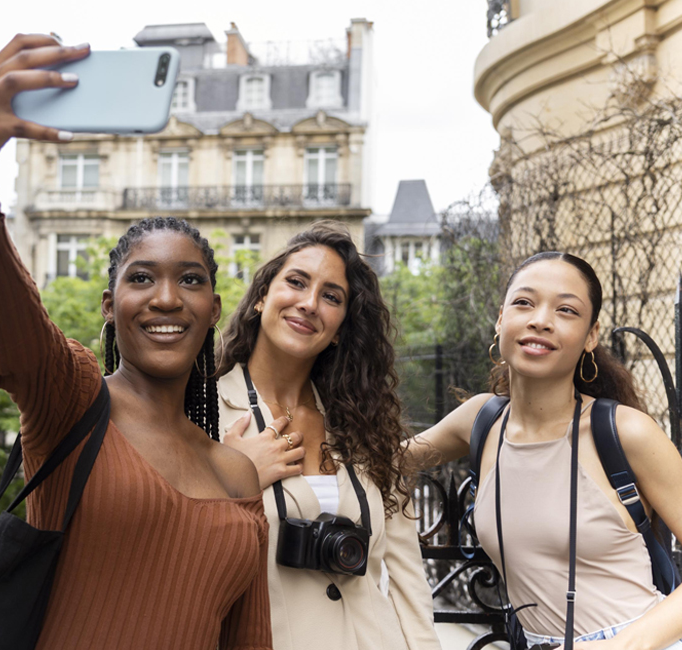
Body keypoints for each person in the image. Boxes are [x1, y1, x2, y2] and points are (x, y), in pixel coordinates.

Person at [0, 33, 271, 649]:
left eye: (190, 281)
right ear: (110, 307)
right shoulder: (70, 400)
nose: (167, 298)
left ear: (213, 311)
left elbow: (249, 640)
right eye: (141, 278)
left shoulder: (236, 473)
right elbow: (11, 325)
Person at [408, 252, 682, 650]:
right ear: (501, 319)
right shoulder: (479, 420)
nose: (540, 319)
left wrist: (616, 647)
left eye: (566, 309)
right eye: (524, 302)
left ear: (591, 335)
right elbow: (378, 459)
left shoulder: (626, 431)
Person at [216, 222, 440, 650]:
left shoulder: (365, 428)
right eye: (296, 282)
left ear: (339, 329)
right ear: (263, 296)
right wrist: (235, 476)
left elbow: (409, 580)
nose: (309, 303)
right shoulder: (206, 411)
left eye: (331, 296)